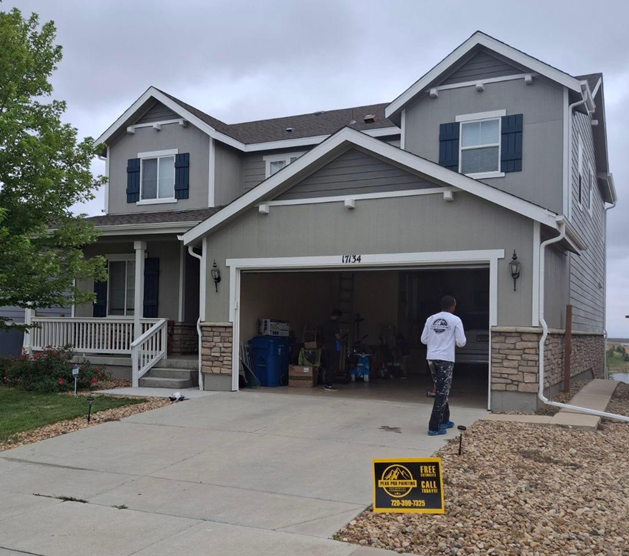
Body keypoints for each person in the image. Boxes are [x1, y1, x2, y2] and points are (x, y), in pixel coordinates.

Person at [421, 295, 466, 436]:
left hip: (431, 358)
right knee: (442, 392)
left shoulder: (431, 319)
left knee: (441, 389)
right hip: (445, 359)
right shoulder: (456, 320)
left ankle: (445, 420)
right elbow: (461, 342)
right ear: (452, 305)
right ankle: (434, 426)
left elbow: (423, 339)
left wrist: (436, 341)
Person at [321, 309, 342, 391]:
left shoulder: (325, 323)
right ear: (337, 316)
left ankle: (326, 382)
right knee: (333, 366)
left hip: (327, 346)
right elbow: (338, 336)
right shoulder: (334, 324)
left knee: (328, 365)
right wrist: (342, 335)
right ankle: (328, 384)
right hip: (334, 347)